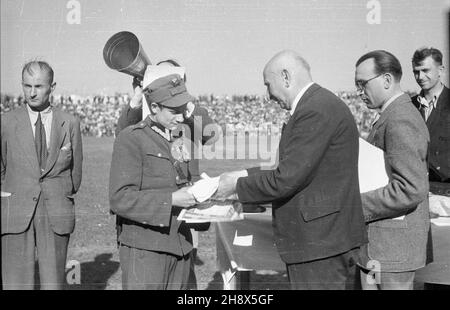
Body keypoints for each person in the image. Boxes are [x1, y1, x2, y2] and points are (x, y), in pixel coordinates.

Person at [215, 50, 367, 290]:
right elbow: (293, 167)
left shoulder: (314, 109)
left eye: (268, 85)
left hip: (320, 244)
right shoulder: (318, 104)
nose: (268, 96)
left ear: (285, 77)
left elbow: (285, 178)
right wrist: (243, 175)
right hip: (323, 241)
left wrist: (235, 187)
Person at [115, 59, 219, 289]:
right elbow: (124, 136)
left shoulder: (185, 123)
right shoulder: (136, 133)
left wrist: (184, 102)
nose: (180, 117)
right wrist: (138, 97)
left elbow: (212, 135)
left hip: (184, 230)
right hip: (149, 237)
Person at [1, 61, 83, 289]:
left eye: (38, 86)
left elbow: (75, 175)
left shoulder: (70, 122)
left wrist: (57, 193)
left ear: (52, 87)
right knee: (15, 283)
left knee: (53, 283)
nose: (32, 92)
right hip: (15, 213)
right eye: (27, 86)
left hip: (56, 212)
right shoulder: (6, 122)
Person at [354, 50, 430, 290]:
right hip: (382, 249)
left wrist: (356, 205)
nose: (359, 92)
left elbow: (411, 189)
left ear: (386, 80)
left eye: (362, 84)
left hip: (393, 251)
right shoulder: (391, 115)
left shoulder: (399, 118)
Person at [411, 47, 450, 198]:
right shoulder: (409, 106)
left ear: (441, 70)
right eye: (416, 71)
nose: (420, 76)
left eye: (426, 70)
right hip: (417, 192)